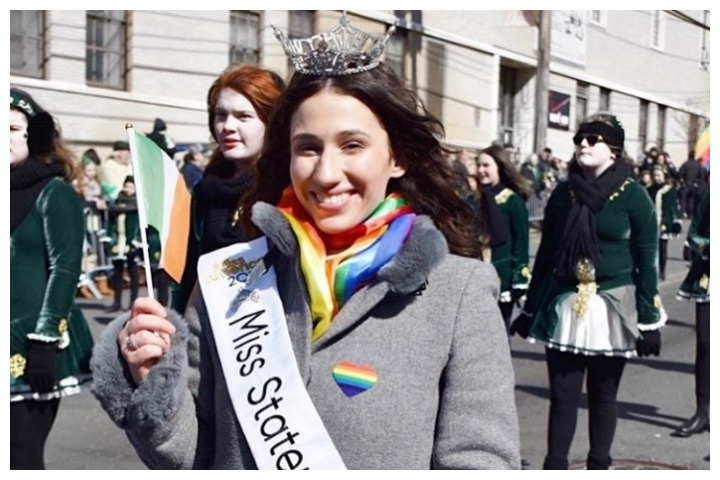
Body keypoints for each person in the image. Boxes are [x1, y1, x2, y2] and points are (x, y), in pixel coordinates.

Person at [90, 16, 520, 470]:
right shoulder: (229, 280)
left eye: (352, 145)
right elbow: (191, 454)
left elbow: (479, 462)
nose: (326, 173)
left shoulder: (458, 292)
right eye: (308, 147)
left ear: (398, 157)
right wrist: (151, 378)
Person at [510, 112, 665, 470]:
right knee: (562, 398)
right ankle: (555, 467)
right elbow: (547, 255)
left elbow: (647, 260)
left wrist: (649, 320)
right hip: (565, 305)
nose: (582, 144)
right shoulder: (564, 194)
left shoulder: (634, 196)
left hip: (613, 306)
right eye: (580, 138)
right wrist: (531, 309)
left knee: (603, 398)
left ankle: (599, 466)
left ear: (613, 149)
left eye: (592, 139)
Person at [10, 87, 94, 469]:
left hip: (30, 348)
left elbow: (65, 270)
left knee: (20, 459)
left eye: (12, 128)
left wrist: (44, 341)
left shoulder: (54, 192)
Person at [172, 64, 286, 314]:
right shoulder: (206, 190)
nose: (227, 126)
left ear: (271, 122)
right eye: (221, 115)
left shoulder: (286, 191)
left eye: (243, 116)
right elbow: (188, 272)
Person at [476, 145, 532, 330]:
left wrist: (519, 279)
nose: (481, 170)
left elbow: (521, 244)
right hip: (476, 277)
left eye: (486, 165)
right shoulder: (473, 198)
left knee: (497, 335)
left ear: (499, 166)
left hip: (502, 278)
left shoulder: (513, 201)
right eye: (478, 165)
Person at [673, 189, 710, 437]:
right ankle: (703, 411)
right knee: (706, 344)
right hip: (710, 277)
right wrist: (708, 245)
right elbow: (694, 234)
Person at [104, 175, 141, 312]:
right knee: (117, 272)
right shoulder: (117, 202)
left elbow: (141, 225)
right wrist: (108, 237)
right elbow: (110, 222)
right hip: (118, 241)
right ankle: (117, 301)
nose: (128, 189)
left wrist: (138, 240)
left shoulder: (138, 204)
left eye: (131, 187)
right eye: (126, 186)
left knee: (133, 272)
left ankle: (133, 302)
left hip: (131, 241)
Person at [647, 166, 682, 281]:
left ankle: (662, 270)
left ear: (664, 176)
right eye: (655, 175)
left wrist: (677, 222)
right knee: (651, 248)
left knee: (662, 247)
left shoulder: (669, 190)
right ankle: (651, 269)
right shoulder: (649, 189)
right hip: (650, 222)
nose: (657, 178)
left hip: (664, 222)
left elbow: (674, 207)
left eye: (659, 175)